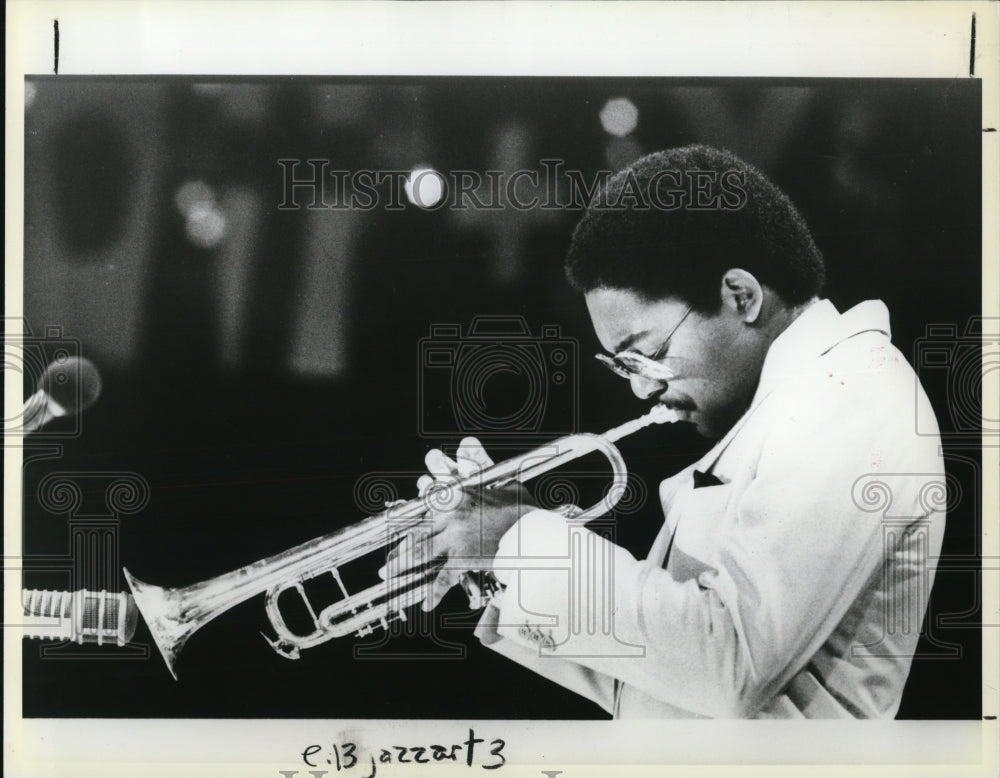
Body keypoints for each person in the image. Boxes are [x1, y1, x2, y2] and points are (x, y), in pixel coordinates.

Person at [382, 144, 946, 718]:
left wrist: (519, 540)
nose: (640, 389)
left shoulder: (847, 394)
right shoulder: (801, 398)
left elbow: (729, 665)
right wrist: (499, 555)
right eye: (622, 367)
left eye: (646, 354)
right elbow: (655, 686)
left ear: (741, 296)